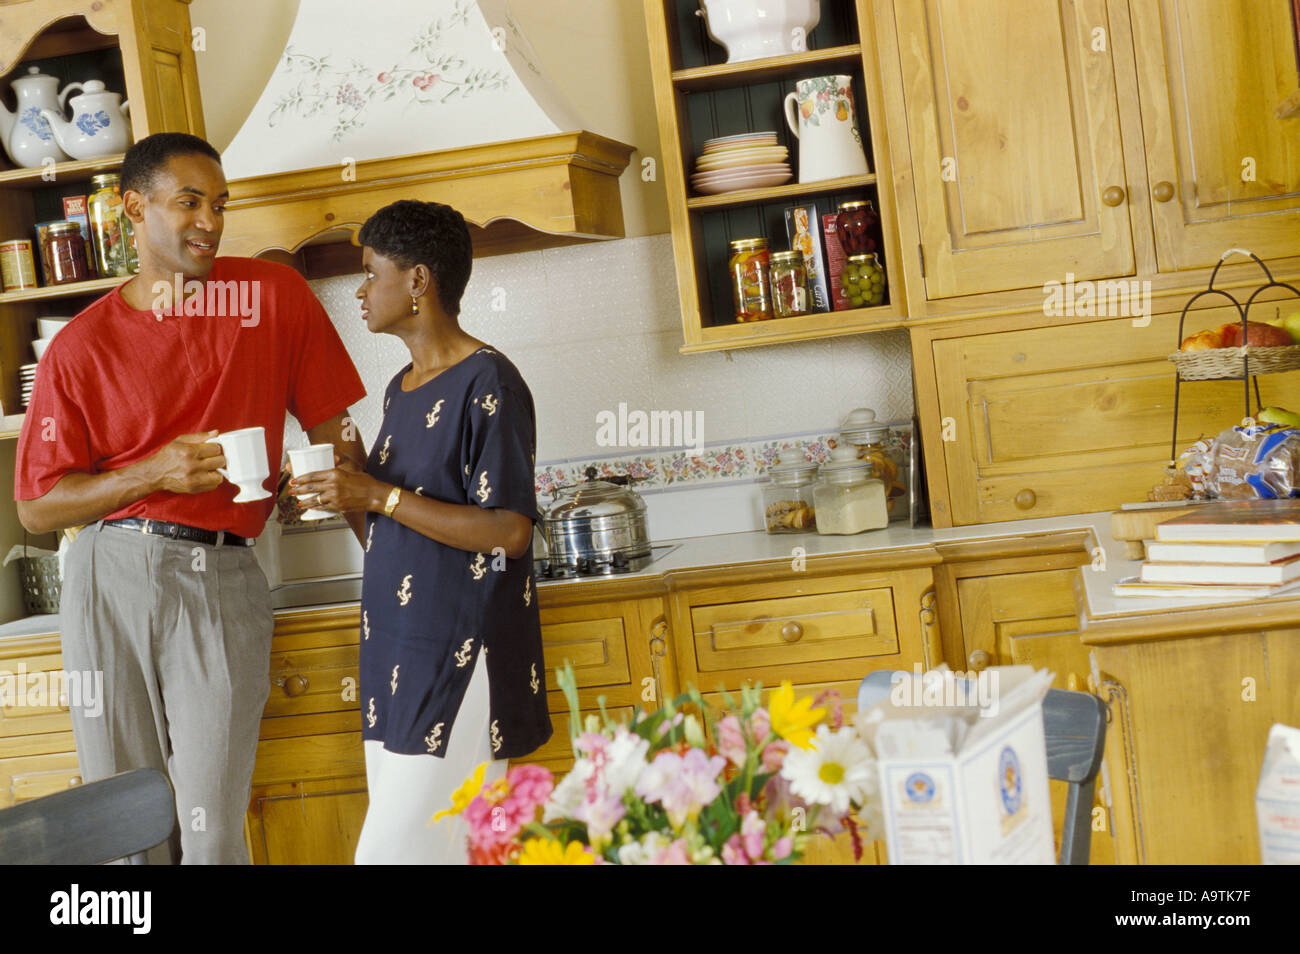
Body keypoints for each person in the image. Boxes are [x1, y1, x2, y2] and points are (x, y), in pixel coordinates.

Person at [13, 133, 368, 864]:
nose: (210, 220)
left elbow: (337, 436)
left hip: (225, 574)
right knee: (124, 827)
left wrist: (325, 494)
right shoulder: (80, 348)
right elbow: (39, 506)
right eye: (190, 202)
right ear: (133, 208)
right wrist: (152, 473)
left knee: (210, 829)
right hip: (110, 577)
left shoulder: (274, 297)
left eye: (220, 204)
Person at [290, 199, 552, 864]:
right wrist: (339, 492)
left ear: (418, 281)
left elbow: (510, 532)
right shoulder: (401, 388)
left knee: (392, 855)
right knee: (451, 850)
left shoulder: (489, 379)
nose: (359, 289)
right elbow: (387, 521)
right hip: (395, 650)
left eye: (371, 271)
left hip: (460, 650)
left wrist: (375, 491)